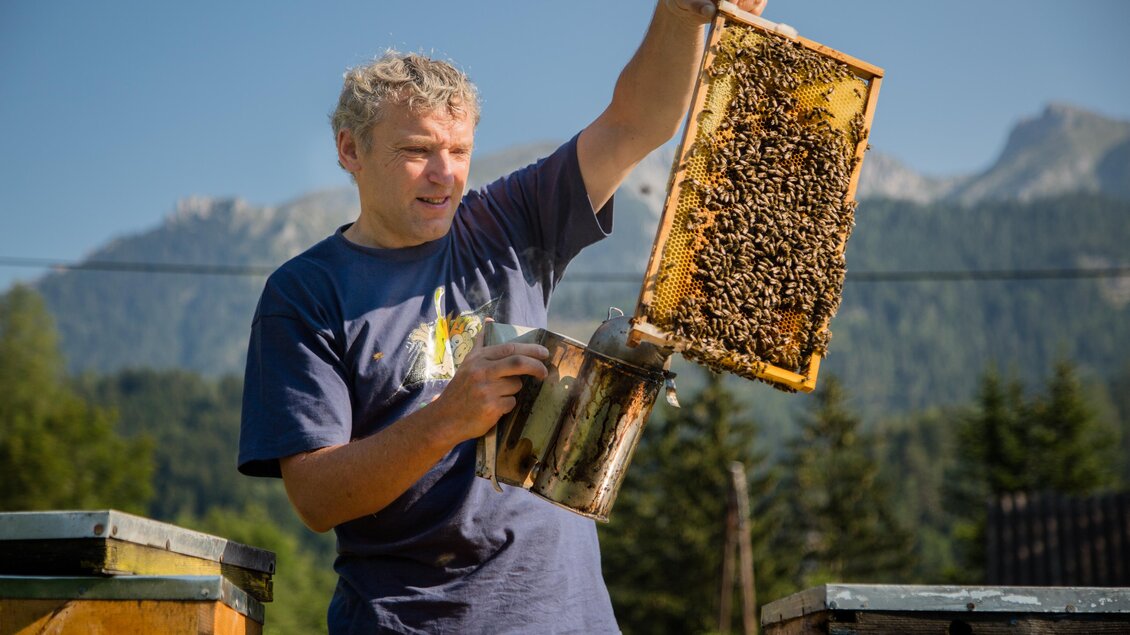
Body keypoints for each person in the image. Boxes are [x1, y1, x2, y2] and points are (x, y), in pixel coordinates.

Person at [238, 1, 767, 632]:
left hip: (567, 617)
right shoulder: (304, 294)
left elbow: (633, 124)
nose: (443, 175)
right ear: (350, 149)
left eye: (459, 150)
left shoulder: (508, 222)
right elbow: (316, 497)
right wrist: (448, 419)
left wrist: (682, 14)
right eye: (416, 150)